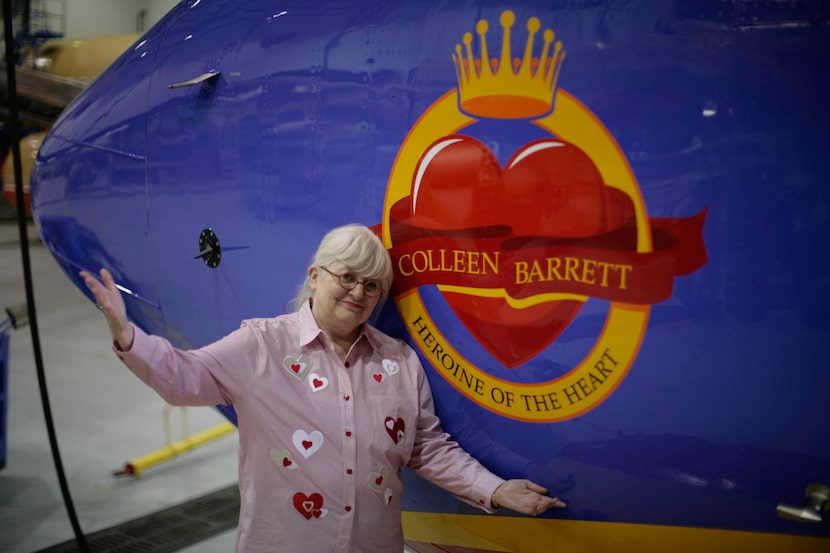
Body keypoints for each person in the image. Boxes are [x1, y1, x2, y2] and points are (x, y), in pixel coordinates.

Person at [80, 224, 566, 553]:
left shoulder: (399, 362)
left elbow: (426, 447)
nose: (358, 292)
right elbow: (184, 378)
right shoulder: (261, 346)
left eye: (373, 285)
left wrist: (497, 489)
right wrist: (129, 338)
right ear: (315, 277)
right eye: (347, 277)